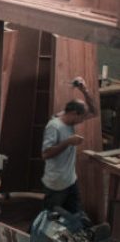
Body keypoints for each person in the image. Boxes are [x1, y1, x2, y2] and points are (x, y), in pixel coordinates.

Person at [41, 77, 98, 213]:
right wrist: (68, 142)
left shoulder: (67, 117)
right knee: (49, 219)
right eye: (81, 117)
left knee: (75, 216)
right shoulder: (54, 126)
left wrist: (84, 90)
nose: (82, 120)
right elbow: (45, 154)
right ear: (73, 113)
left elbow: (95, 111)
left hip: (70, 180)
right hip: (56, 184)